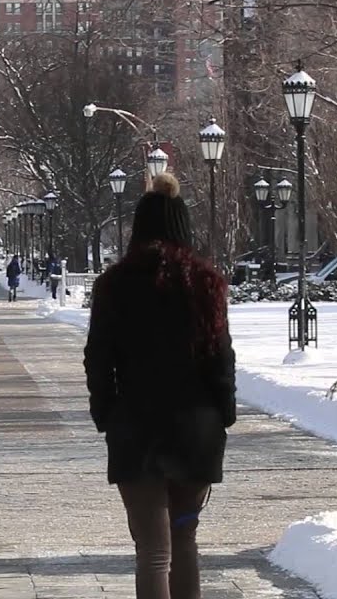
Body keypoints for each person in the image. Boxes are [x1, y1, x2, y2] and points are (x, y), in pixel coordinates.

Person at [83, 172, 236, 599]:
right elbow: (220, 356)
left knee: (151, 550)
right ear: (183, 226)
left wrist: (105, 412)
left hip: (136, 427)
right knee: (185, 539)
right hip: (195, 429)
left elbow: (98, 357)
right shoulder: (205, 283)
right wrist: (224, 411)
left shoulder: (114, 284)